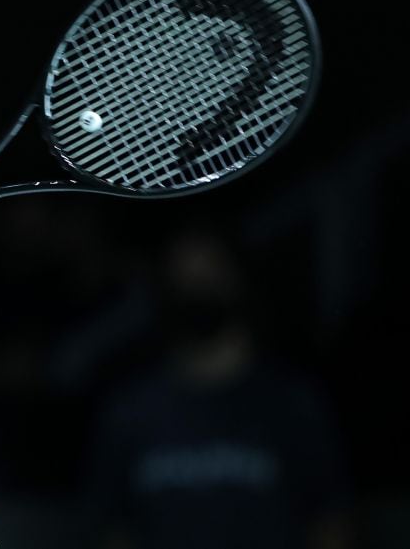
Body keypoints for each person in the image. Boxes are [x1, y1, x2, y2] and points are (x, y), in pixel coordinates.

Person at [80, 224, 353, 549]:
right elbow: (112, 530)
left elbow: (330, 524)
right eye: (184, 276)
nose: (196, 284)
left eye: (209, 272)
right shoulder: (128, 413)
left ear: (238, 278)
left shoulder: (293, 405)